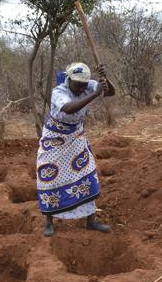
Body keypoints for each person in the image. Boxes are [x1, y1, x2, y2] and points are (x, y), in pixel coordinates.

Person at [36, 62, 115, 237]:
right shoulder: (59, 92)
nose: (81, 88)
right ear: (69, 80)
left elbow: (110, 92)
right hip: (55, 138)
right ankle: (49, 221)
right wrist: (94, 93)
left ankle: (91, 221)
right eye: (78, 84)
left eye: (84, 85)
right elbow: (69, 108)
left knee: (87, 172)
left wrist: (105, 79)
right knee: (49, 177)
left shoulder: (89, 85)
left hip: (76, 136)